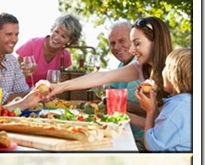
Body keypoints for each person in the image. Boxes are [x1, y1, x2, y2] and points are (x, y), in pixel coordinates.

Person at [42, 16, 173, 130]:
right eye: (132, 44)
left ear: (155, 42)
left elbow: (163, 128)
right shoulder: (140, 68)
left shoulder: (174, 74)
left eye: (137, 44)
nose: (132, 50)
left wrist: (124, 114)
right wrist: (61, 87)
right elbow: (102, 76)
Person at [136, 48, 191, 152]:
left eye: (166, 66)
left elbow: (151, 145)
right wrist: (153, 107)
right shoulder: (185, 102)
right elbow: (163, 128)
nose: (162, 70)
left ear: (173, 74)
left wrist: (150, 112)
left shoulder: (176, 108)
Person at [108, 20, 144, 149]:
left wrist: (118, 104)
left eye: (121, 41)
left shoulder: (141, 63)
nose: (117, 47)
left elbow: (156, 109)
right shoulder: (121, 65)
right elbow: (110, 91)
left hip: (139, 139)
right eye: (112, 43)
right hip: (122, 131)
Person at [16, 14, 82, 85]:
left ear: (70, 40)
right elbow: (14, 77)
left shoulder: (65, 55)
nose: (57, 37)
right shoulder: (32, 44)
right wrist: (24, 75)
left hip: (47, 92)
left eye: (63, 36)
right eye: (56, 32)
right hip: (23, 90)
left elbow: (60, 81)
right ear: (52, 29)